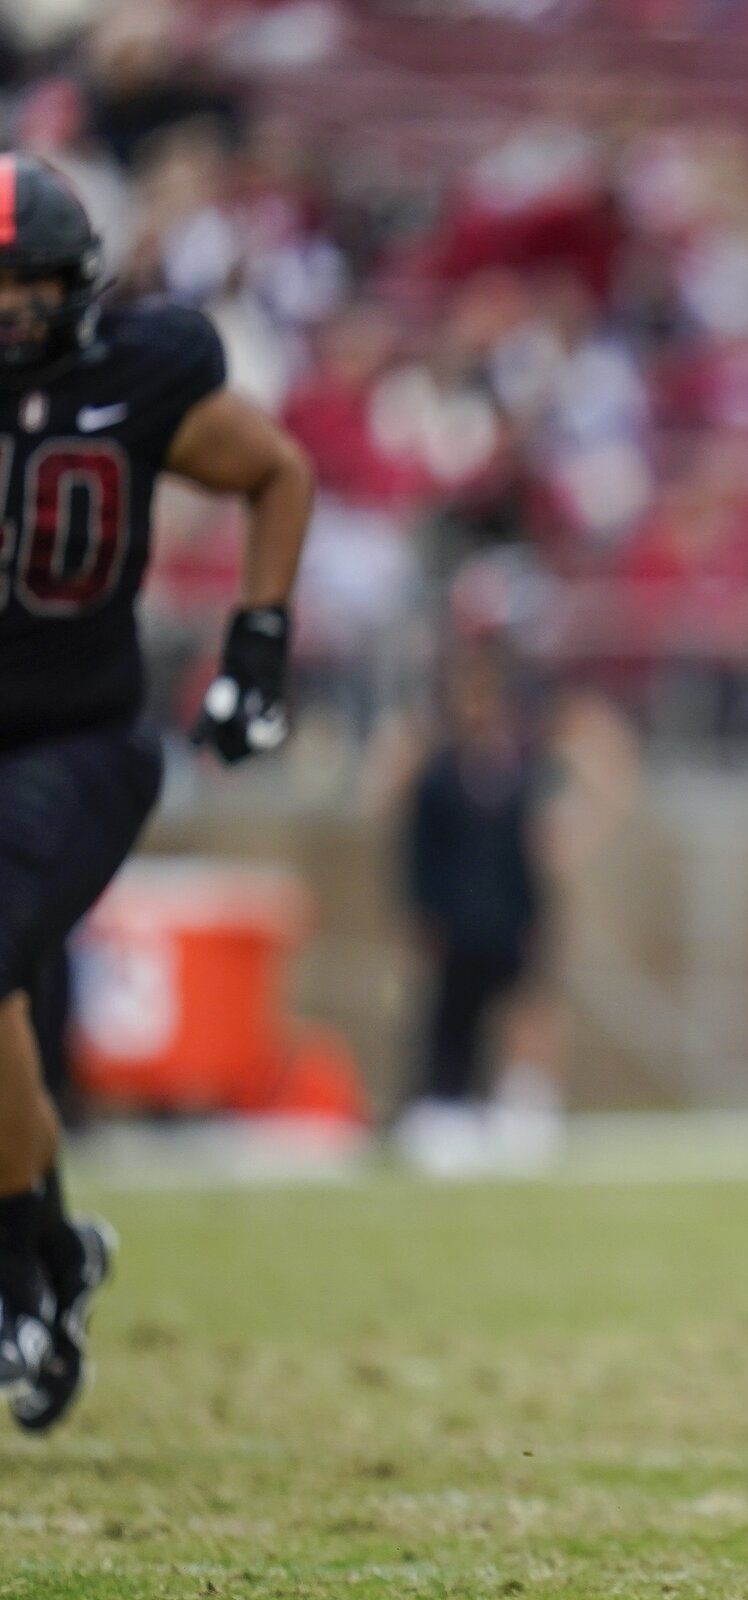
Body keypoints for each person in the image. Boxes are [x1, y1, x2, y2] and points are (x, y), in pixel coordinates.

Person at [0, 153, 313, 1432]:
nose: (12, 311)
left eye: (31, 286)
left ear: (79, 286)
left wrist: (256, 643)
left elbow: (276, 472)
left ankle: (22, 1268)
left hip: (81, 741)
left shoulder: (139, 371)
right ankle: (52, 1252)